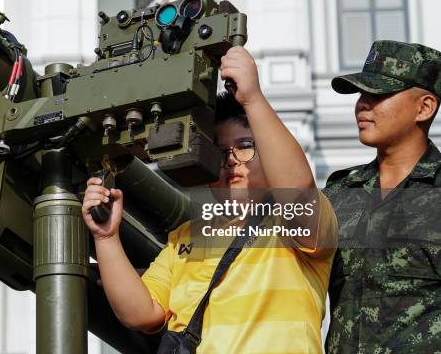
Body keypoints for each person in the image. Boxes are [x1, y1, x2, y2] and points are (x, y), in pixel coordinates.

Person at [82, 46, 337, 353]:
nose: (232, 161)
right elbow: (141, 313)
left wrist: (253, 99)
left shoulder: (294, 227)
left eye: (245, 146)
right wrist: (107, 238)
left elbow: (297, 189)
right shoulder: (185, 238)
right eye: (220, 151)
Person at [324, 40, 441, 353]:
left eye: (379, 94)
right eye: (361, 95)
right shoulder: (339, 193)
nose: (363, 104)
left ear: (425, 107)